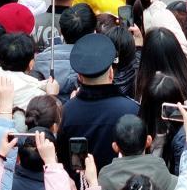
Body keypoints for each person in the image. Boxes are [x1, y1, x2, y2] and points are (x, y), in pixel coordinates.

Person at [59, 32, 140, 170]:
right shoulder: (132, 109)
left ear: (79, 77)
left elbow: (63, 158)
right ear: (111, 73)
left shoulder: (66, 112)